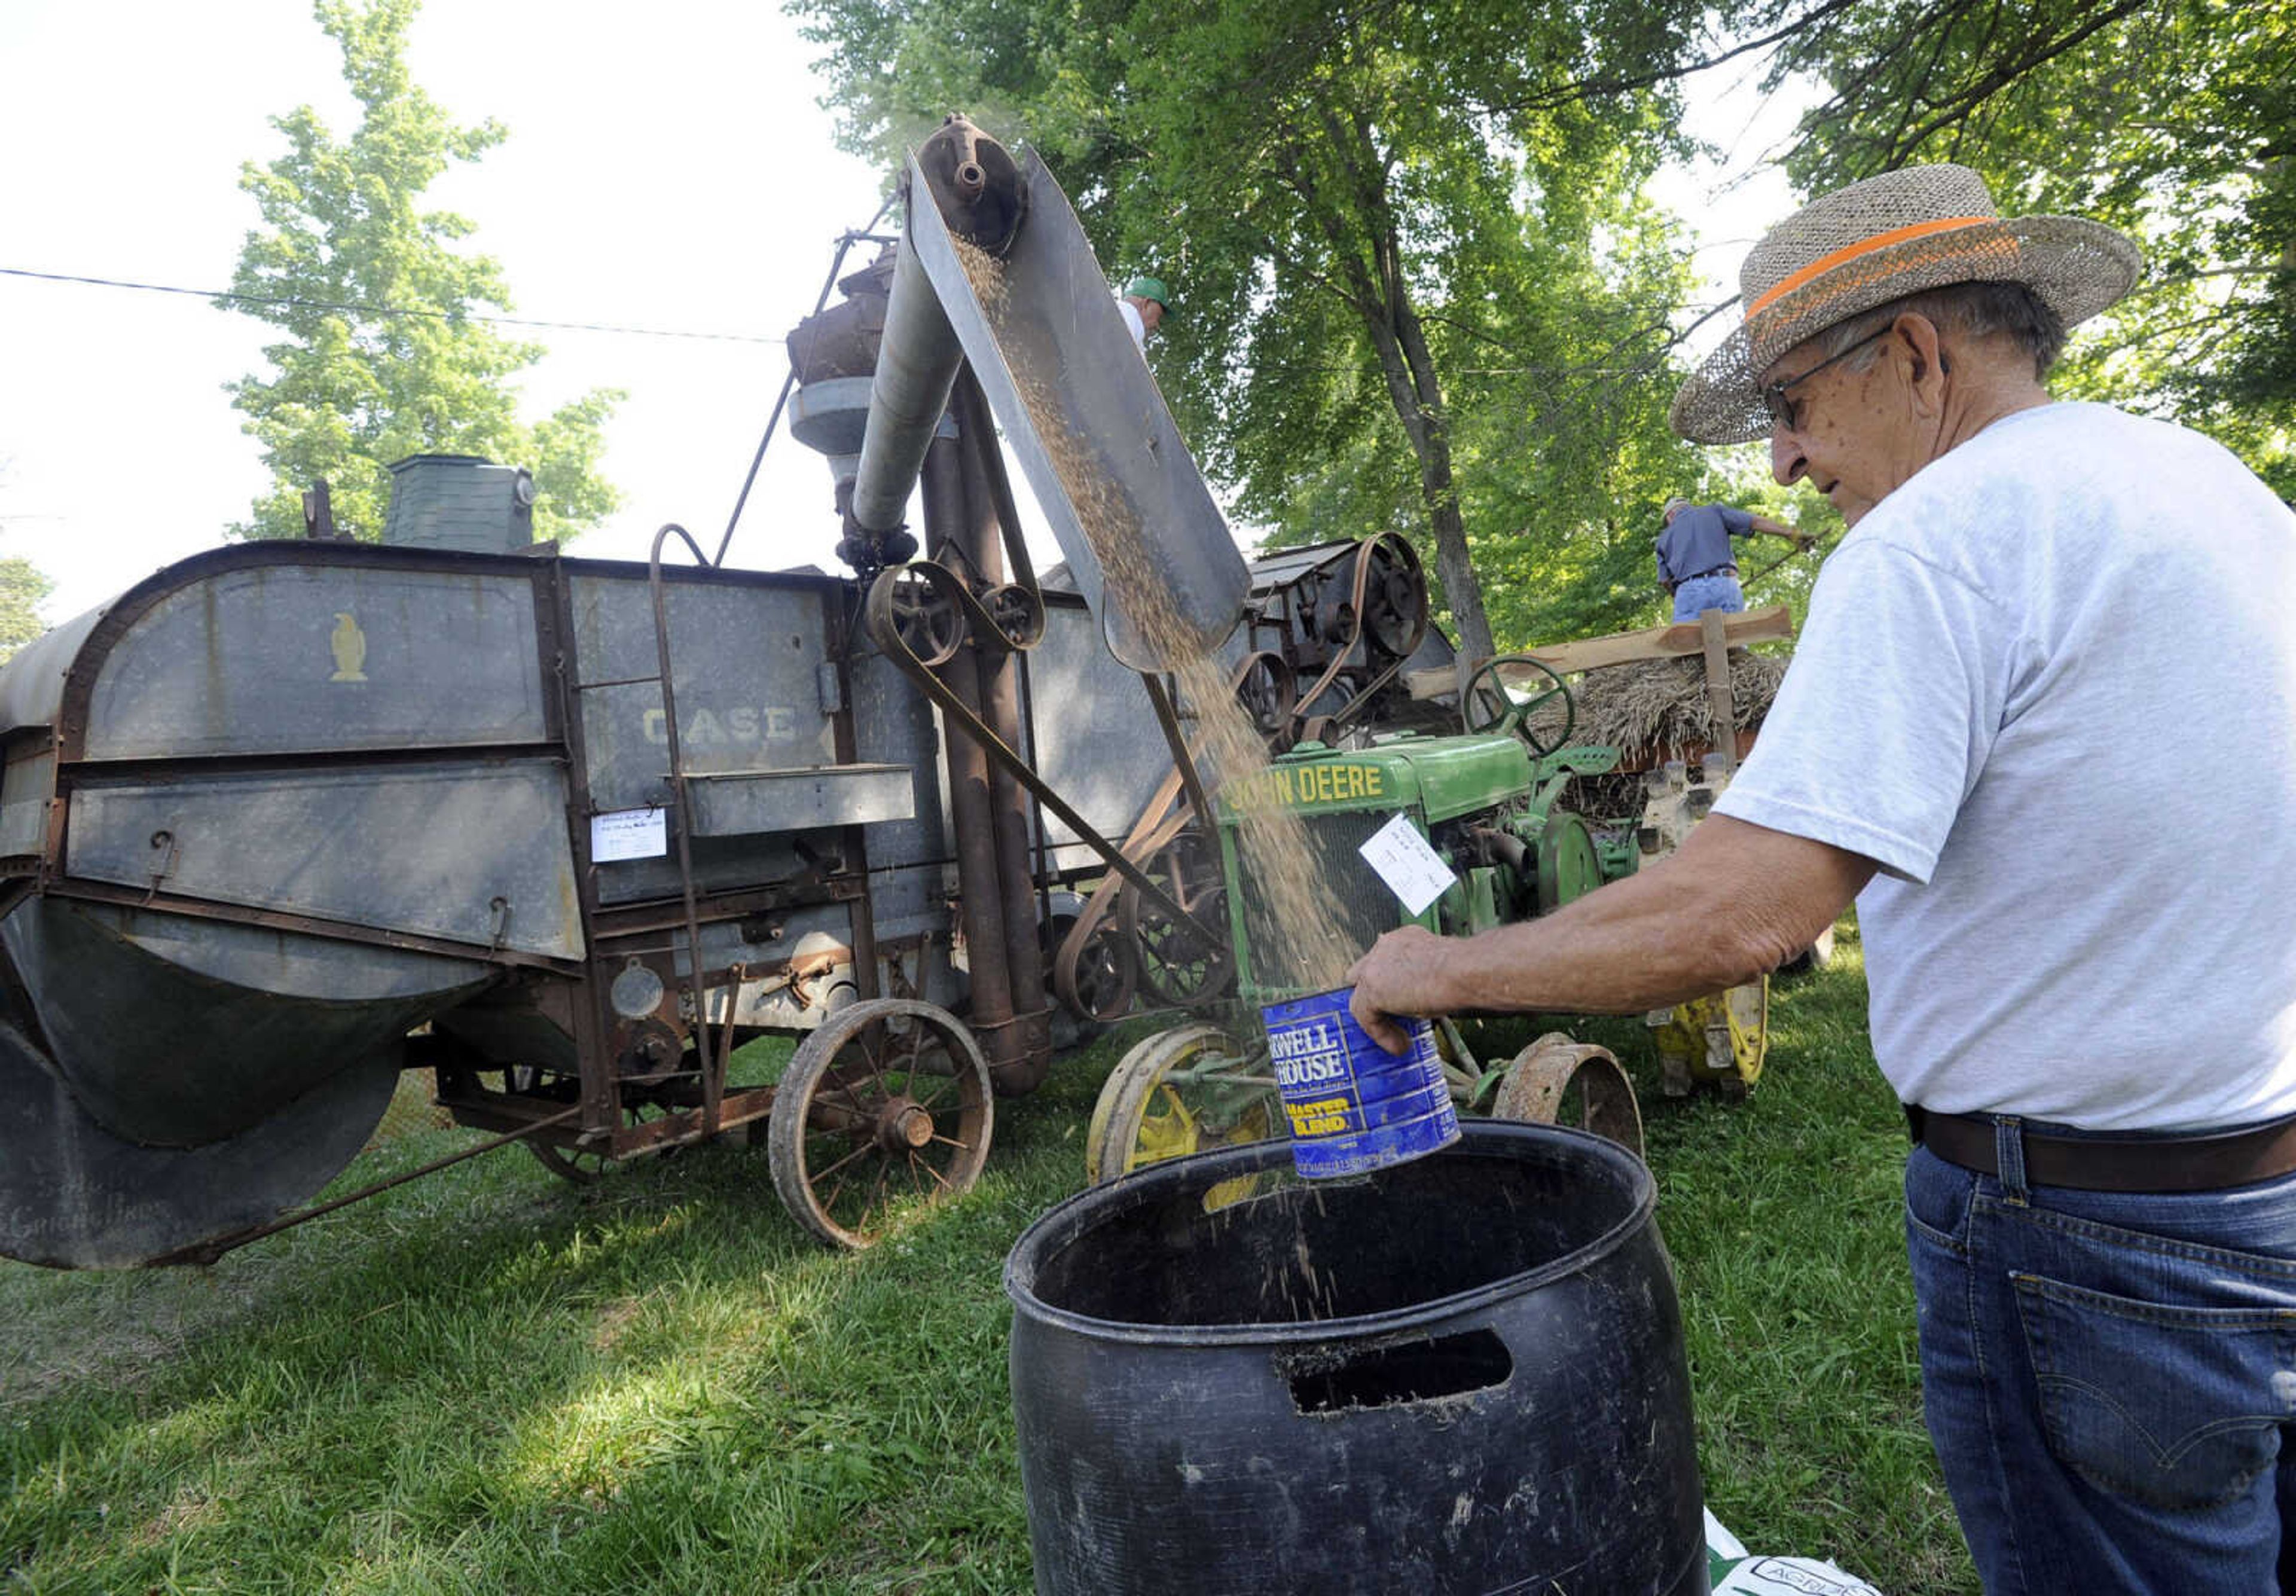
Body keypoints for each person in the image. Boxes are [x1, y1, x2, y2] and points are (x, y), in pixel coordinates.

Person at [1348, 162, 2296, 1590]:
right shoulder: (2211, 488)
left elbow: (1746, 907)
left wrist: (1432, 969)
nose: (1781, 462)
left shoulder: (1930, 542)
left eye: (1790, 404)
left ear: (1915, 354)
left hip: (2096, 1251)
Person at [1655, 496, 1810, 621]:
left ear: (1670, 515)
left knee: (1687, 652)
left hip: (1688, 590)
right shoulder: (1713, 511)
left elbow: (1664, 581)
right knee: (1735, 651)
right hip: (1725, 583)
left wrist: (1679, 597)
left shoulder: (1663, 538)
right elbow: (1754, 522)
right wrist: (1790, 533)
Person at [1116, 275, 1169, 353]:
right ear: (1146, 304)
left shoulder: (1114, 310)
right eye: (1158, 317)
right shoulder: (1129, 312)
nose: (1157, 325)